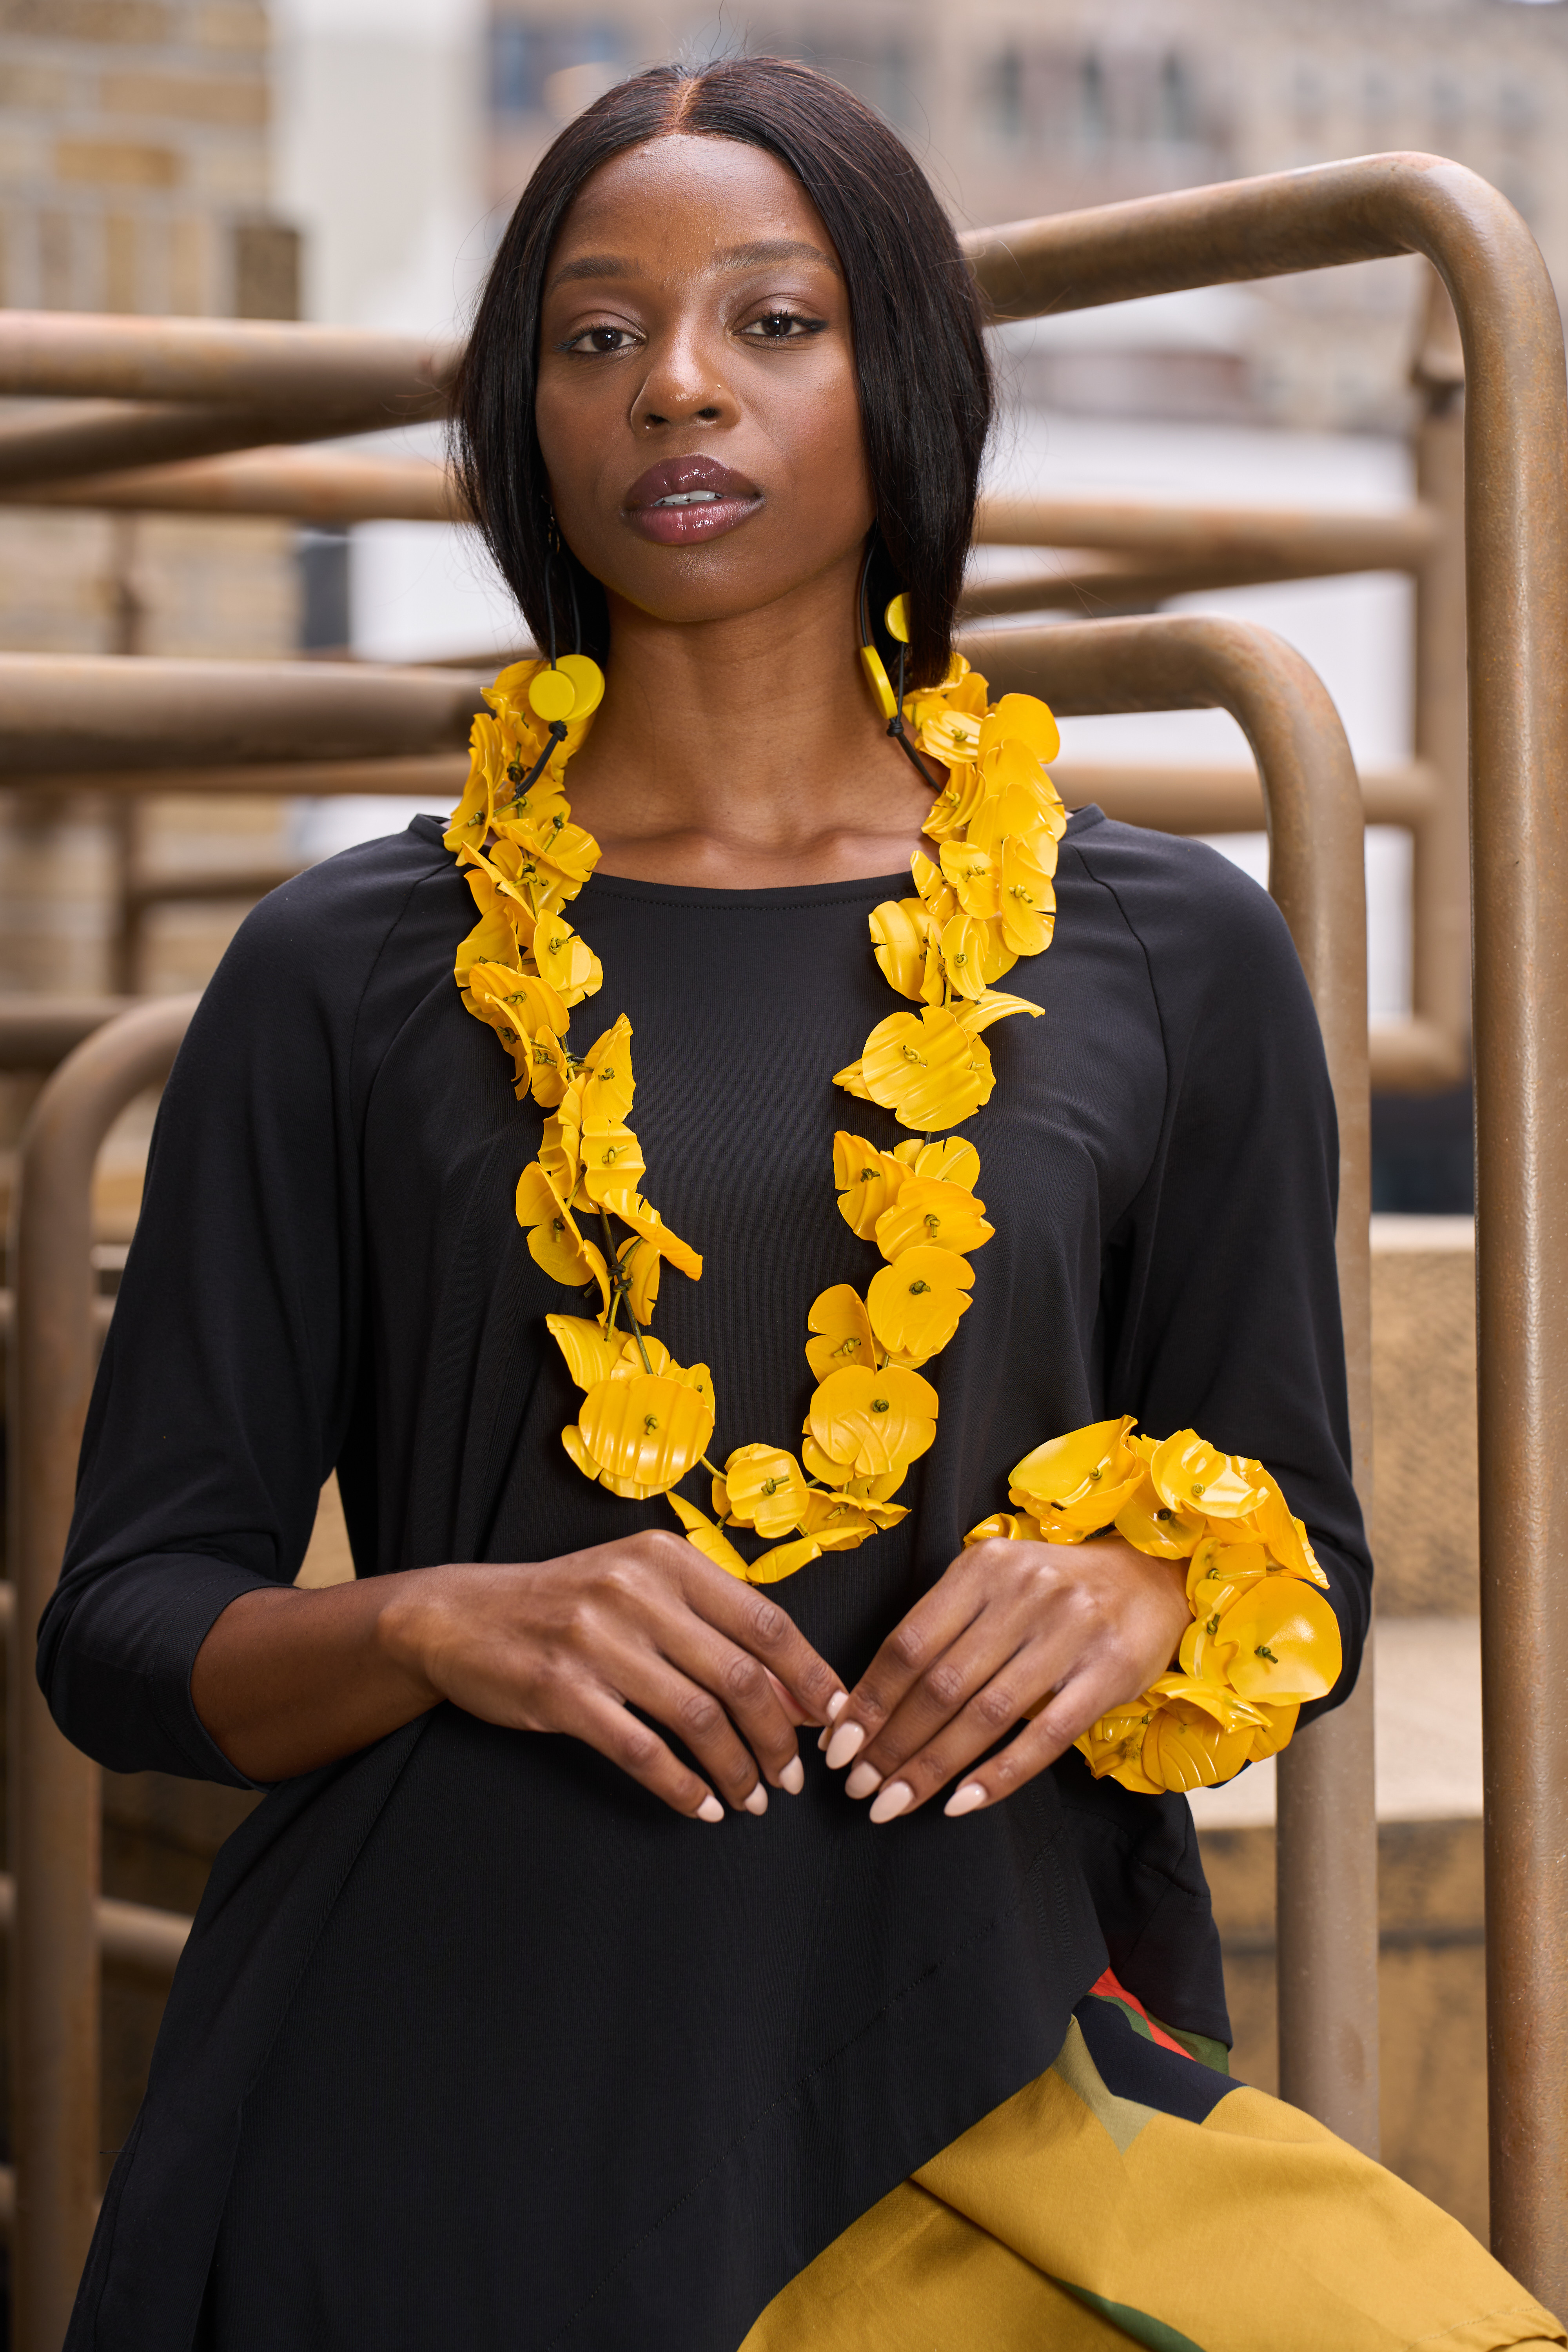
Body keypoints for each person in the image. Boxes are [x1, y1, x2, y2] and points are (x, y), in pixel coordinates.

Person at [42, 54, 1563, 2352]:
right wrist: (451, 1622)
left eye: (773, 322)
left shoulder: (1175, 952)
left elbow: (1308, 1556)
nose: (674, 383)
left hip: (978, 2080)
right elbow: (131, 1629)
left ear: (905, 385)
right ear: (530, 419)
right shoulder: (341, 972)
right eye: (593, 332)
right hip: (441, 2113)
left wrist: (1144, 1578)